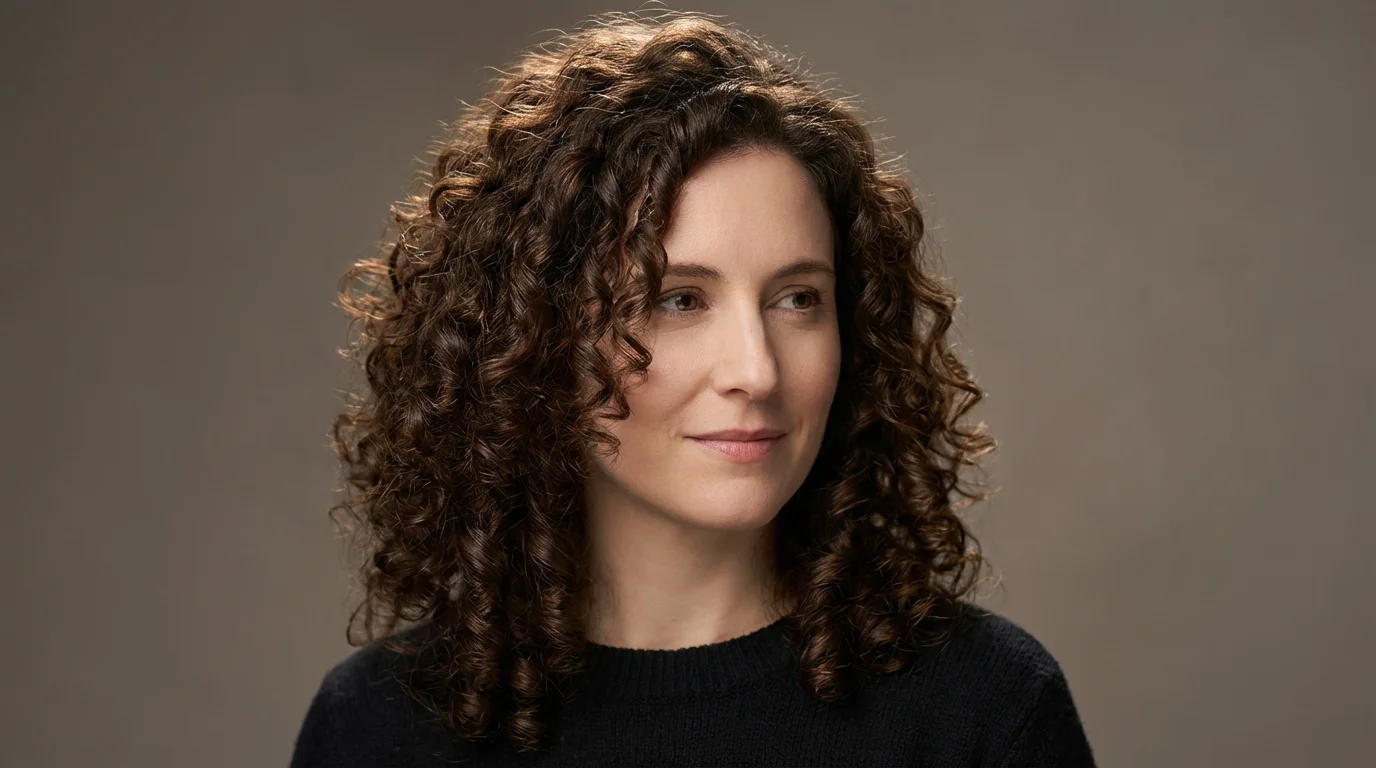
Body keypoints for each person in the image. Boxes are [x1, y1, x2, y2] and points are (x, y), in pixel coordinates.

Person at [291, 9, 1095, 767]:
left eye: (797, 299)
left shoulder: (986, 714)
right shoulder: (375, 728)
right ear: (534, 336)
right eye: (679, 300)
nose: (757, 370)